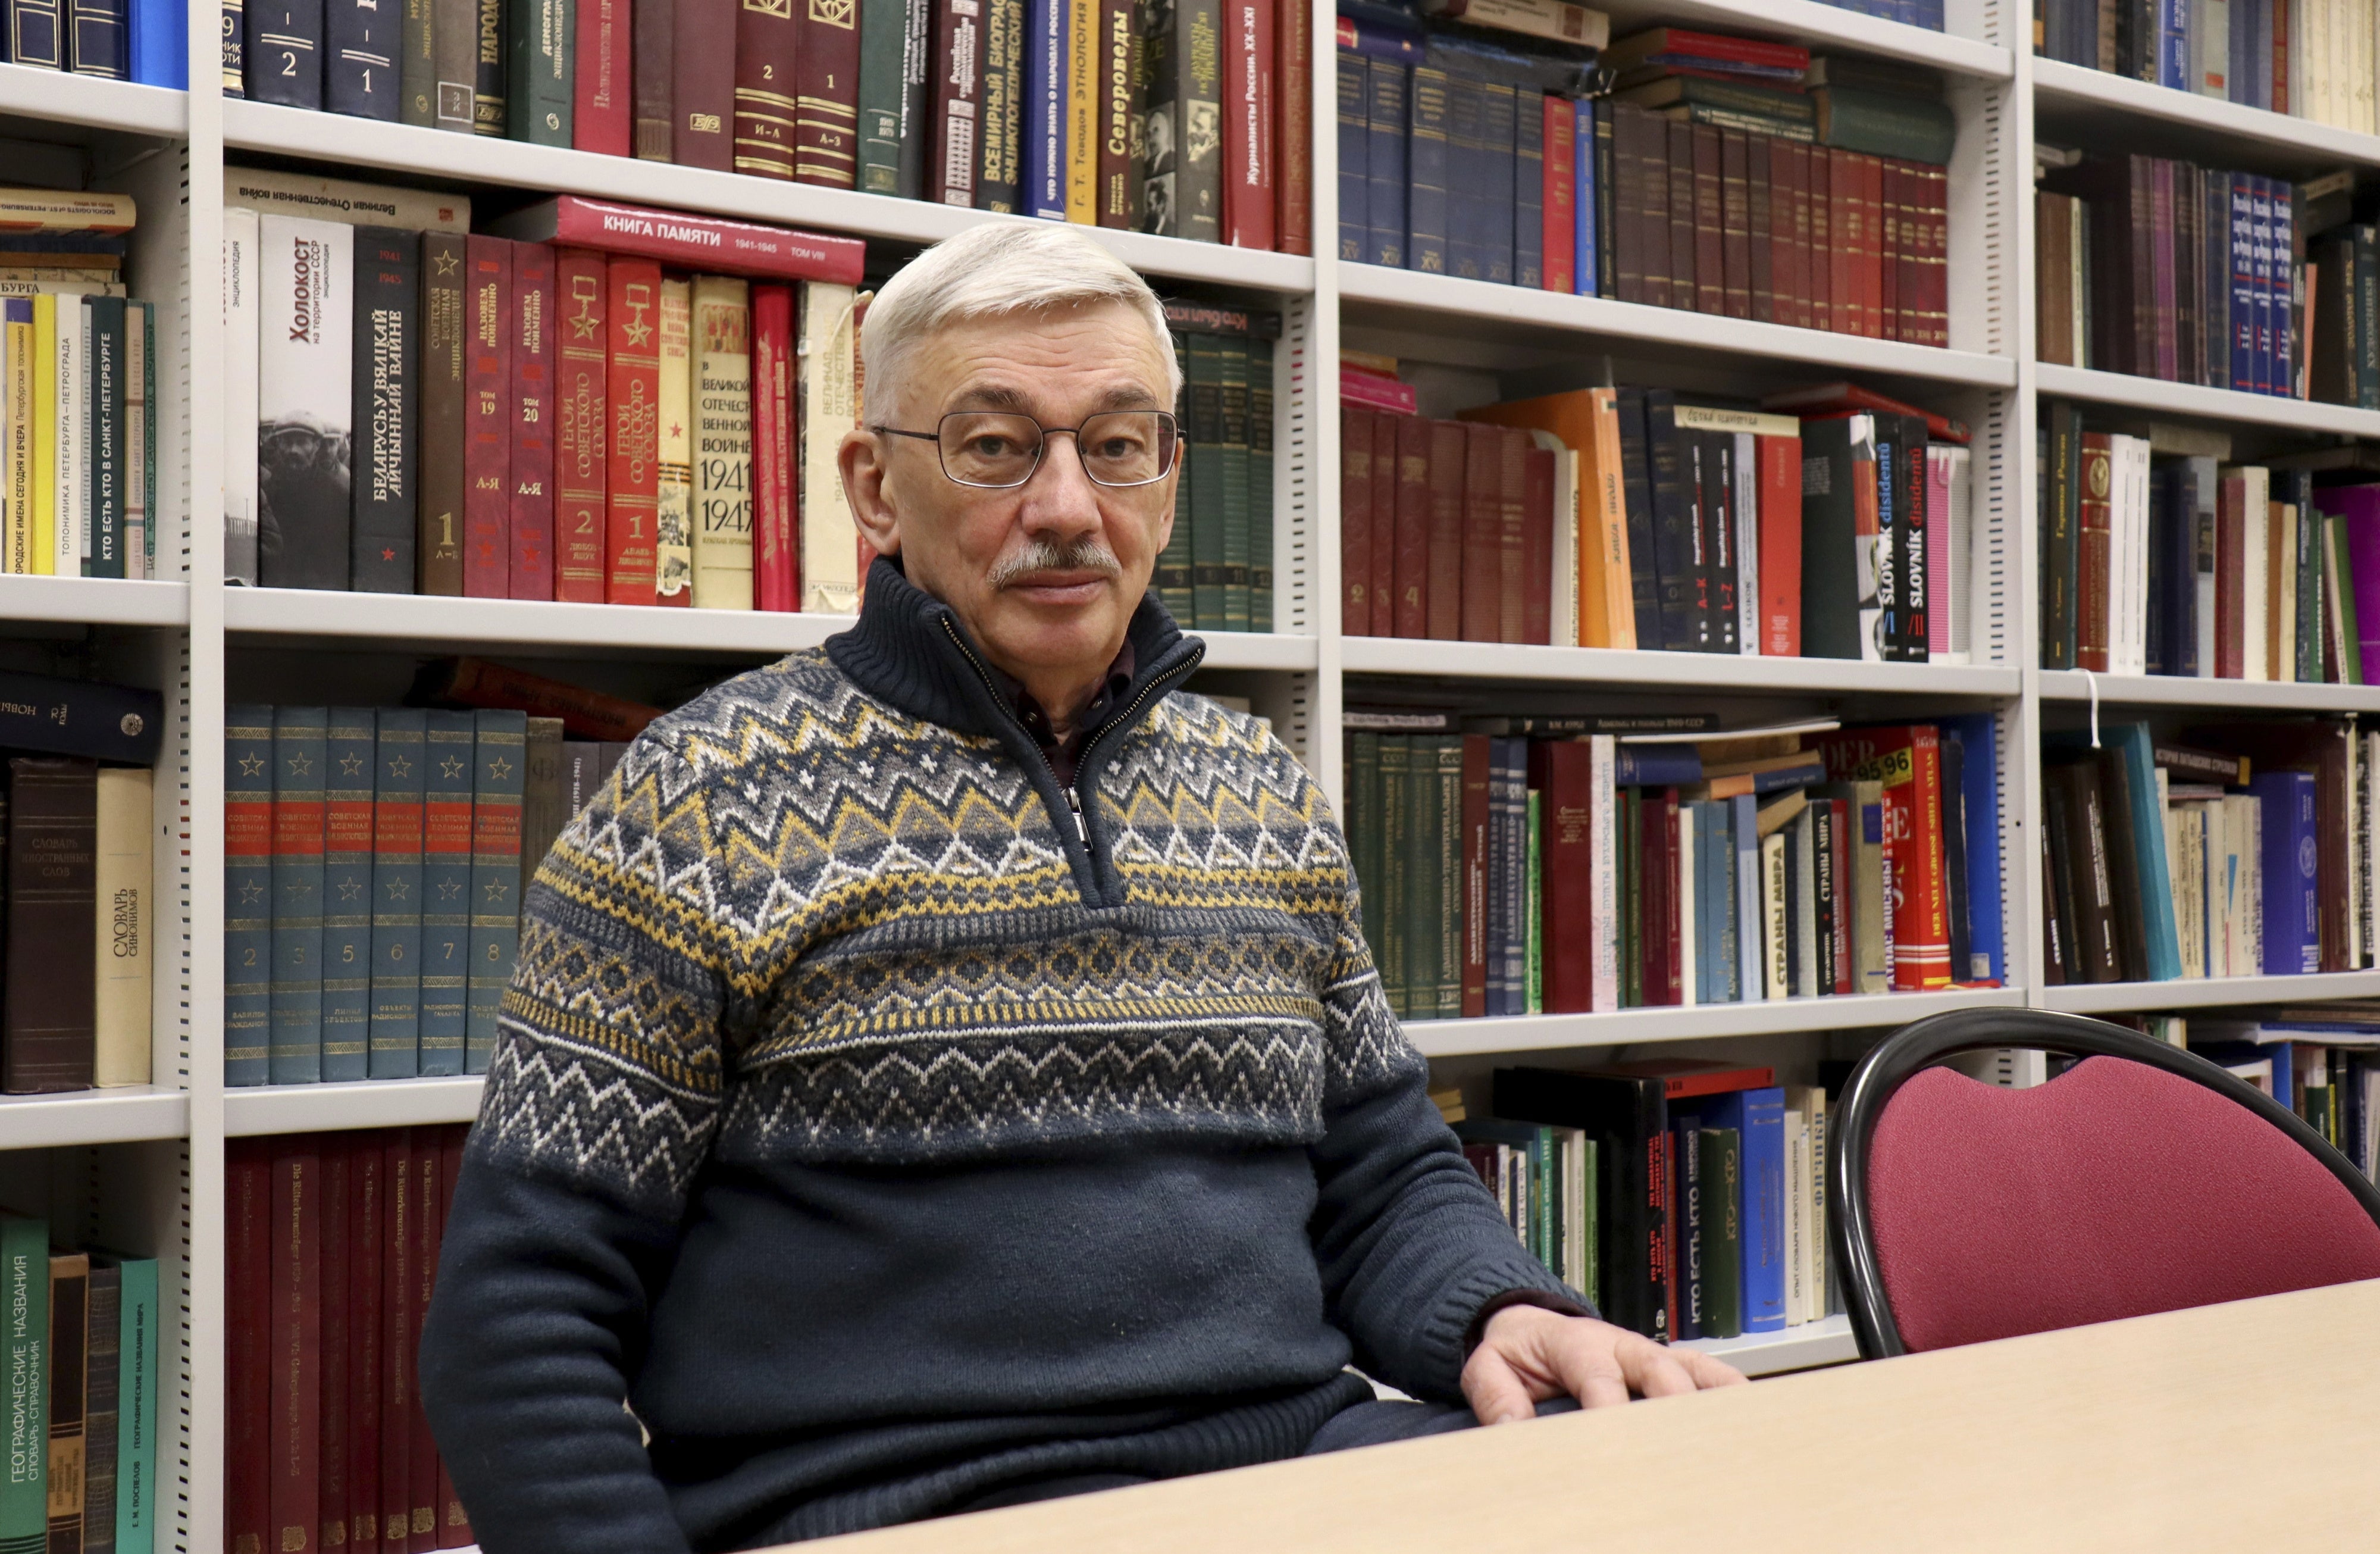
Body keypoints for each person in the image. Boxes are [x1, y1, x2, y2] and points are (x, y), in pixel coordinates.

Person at [418, 221, 1745, 1554]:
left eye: (1115, 445)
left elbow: (1377, 1173)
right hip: (911, 1507)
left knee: (1706, 1496)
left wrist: (1497, 1311)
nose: (1064, 507)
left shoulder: (1259, 783)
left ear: (1166, 483)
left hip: (1296, 1468)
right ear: (875, 489)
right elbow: (522, 1318)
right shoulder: (698, 799)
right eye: (996, 446)